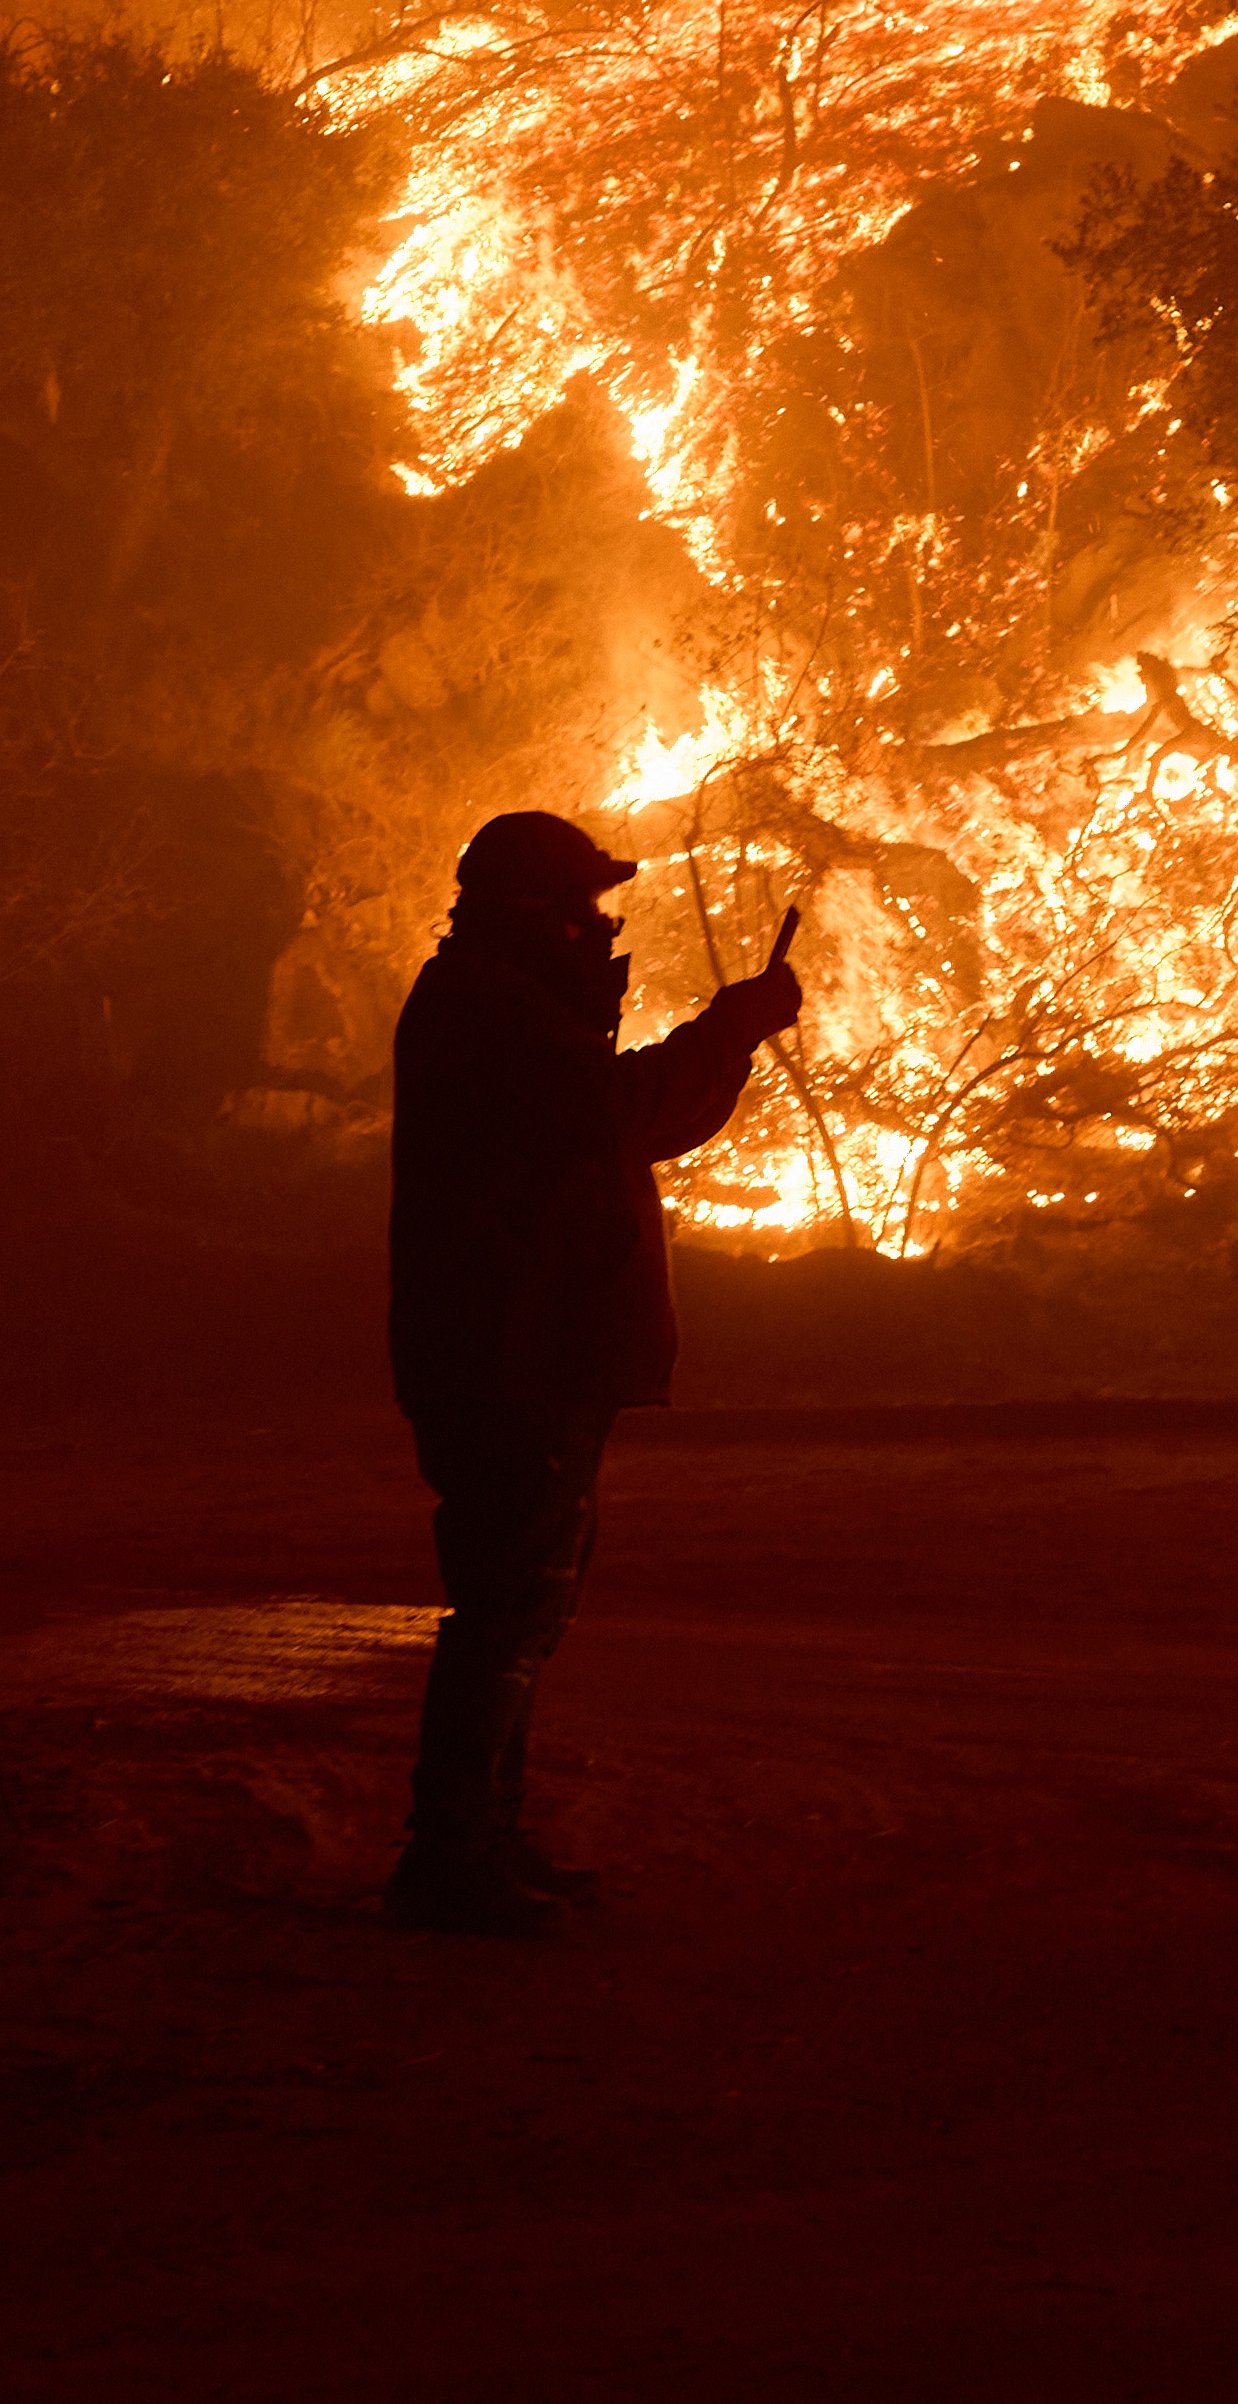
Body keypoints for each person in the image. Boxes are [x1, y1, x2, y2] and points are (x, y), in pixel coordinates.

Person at [381, 806, 804, 1938]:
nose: (599, 921)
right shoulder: (488, 1010)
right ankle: (452, 1858)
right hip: (513, 1352)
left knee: (520, 1607)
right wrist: (729, 1024)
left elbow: (630, 1127)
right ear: (537, 908)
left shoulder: (500, 1003)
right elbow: (621, 1111)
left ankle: (482, 1842)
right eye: (586, 901)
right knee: (507, 1608)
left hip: (527, 1346)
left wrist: (729, 1037)